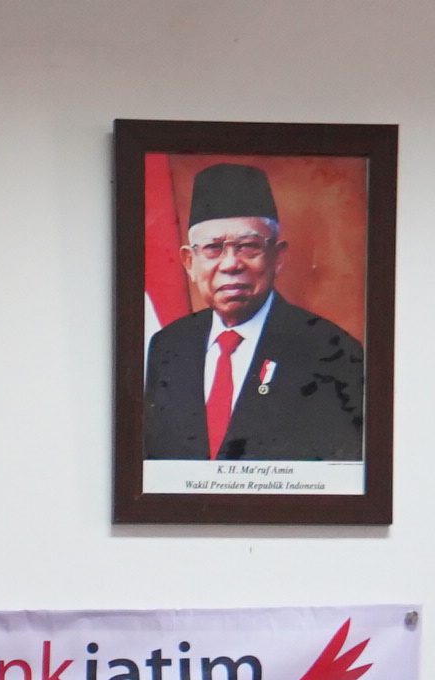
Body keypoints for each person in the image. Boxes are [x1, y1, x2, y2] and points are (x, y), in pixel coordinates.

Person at [139, 161, 368, 464]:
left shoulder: (333, 353)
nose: (231, 264)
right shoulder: (167, 346)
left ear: (277, 257)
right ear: (189, 262)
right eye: (213, 248)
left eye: (248, 246)